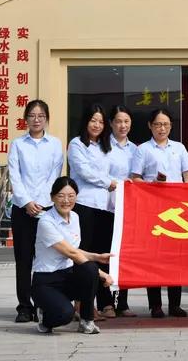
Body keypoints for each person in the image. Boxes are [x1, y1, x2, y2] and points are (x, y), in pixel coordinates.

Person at [129, 107, 188, 318]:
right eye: (158, 124)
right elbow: (135, 178)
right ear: (150, 126)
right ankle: (155, 305)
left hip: (178, 209)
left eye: (165, 124)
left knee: (175, 257)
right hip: (154, 209)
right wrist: (153, 184)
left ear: (171, 126)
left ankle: (175, 304)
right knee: (154, 257)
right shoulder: (143, 149)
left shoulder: (179, 148)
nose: (162, 128)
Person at [30, 176, 112, 335]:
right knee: (65, 314)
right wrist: (103, 274)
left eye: (71, 196)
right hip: (46, 281)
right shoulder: (46, 222)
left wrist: (97, 257)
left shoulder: (75, 217)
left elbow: (74, 249)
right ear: (52, 197)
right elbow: (70, 253)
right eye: (61, 196)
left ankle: (87, 321)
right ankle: (45, 316)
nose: (66, 200)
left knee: (89, 270)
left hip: (67, 276)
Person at [6, 98, 63, 323]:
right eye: (32, 116)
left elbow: (54, 175)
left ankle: (43, 303)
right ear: (25, 119)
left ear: (47, 119)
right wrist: (27, 202)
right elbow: (15, 176)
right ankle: (24, 306)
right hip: (22, 210)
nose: (36, 120)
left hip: (46, 210)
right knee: (24, 259)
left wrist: (39, 203)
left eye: (41, 116)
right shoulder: (18, 144)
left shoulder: (55, 144)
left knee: (45, 259)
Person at [67, 104, 117, 319]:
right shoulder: (76, 144)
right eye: (93, 120)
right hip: (85, 205)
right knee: (84, 256)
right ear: (85, 121)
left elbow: (114, 173)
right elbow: (84, 172)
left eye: (101, 122)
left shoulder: (106, 147)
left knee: (101, 255)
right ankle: (82, 304)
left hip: (104, 207)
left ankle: (102, 302)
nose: (97, 125)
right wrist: (109, 183)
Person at [105, 104, 138, 317]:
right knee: (106, 255)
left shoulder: (136, 149)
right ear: (111, 123)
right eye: (118, 121)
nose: (122, 125)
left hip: (127, 210)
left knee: (123, 256)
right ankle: (106, 303)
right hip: (106, 207)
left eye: (126, 121)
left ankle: (122, 303)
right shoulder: (103, 147)